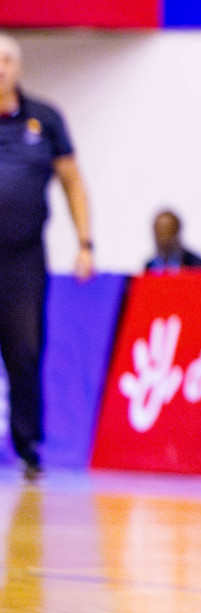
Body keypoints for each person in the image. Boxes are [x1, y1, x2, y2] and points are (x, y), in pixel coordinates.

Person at [0, 33, 93, 480]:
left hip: (22, 258)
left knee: (25, 348)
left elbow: (73, 182)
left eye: (5, 60)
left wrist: (85, 244)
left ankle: (28, 445)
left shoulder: (44, 117)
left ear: (18, 66)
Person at [144, 209, 201, 274]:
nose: (163, 237)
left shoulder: (197, 265)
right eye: (159, 231)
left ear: (177, 231)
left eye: (168, 230)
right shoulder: (149, 266)